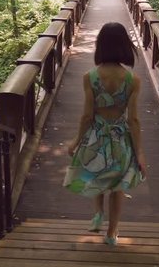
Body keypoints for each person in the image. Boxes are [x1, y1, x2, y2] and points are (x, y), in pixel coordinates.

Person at [63, 21, 147, 246]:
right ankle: (112, 233)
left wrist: (75, 141)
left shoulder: (90, 77)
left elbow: (86, 116)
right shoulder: (132, 80)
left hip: (96, 136)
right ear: (124, 46)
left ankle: (98, 212)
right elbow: (134, 119)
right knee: (117, 187)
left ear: (101, 46)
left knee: (97, 174)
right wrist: (139, 153)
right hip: (120, 138)